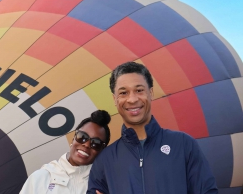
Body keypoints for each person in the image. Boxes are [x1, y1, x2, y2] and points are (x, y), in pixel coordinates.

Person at [87, 62, 218, 194]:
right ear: (115, 99)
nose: (132, 99)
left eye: (139, 90)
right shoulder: (104, 160)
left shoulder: (183, 144)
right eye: (123, 93)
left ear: (151, 93)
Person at [20, 110, 111, 194]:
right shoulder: (41, 177)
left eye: (96, 143)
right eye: (82, 136)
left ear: (102, 151)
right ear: (73, 138)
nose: (86, 145)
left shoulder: (104, 184)